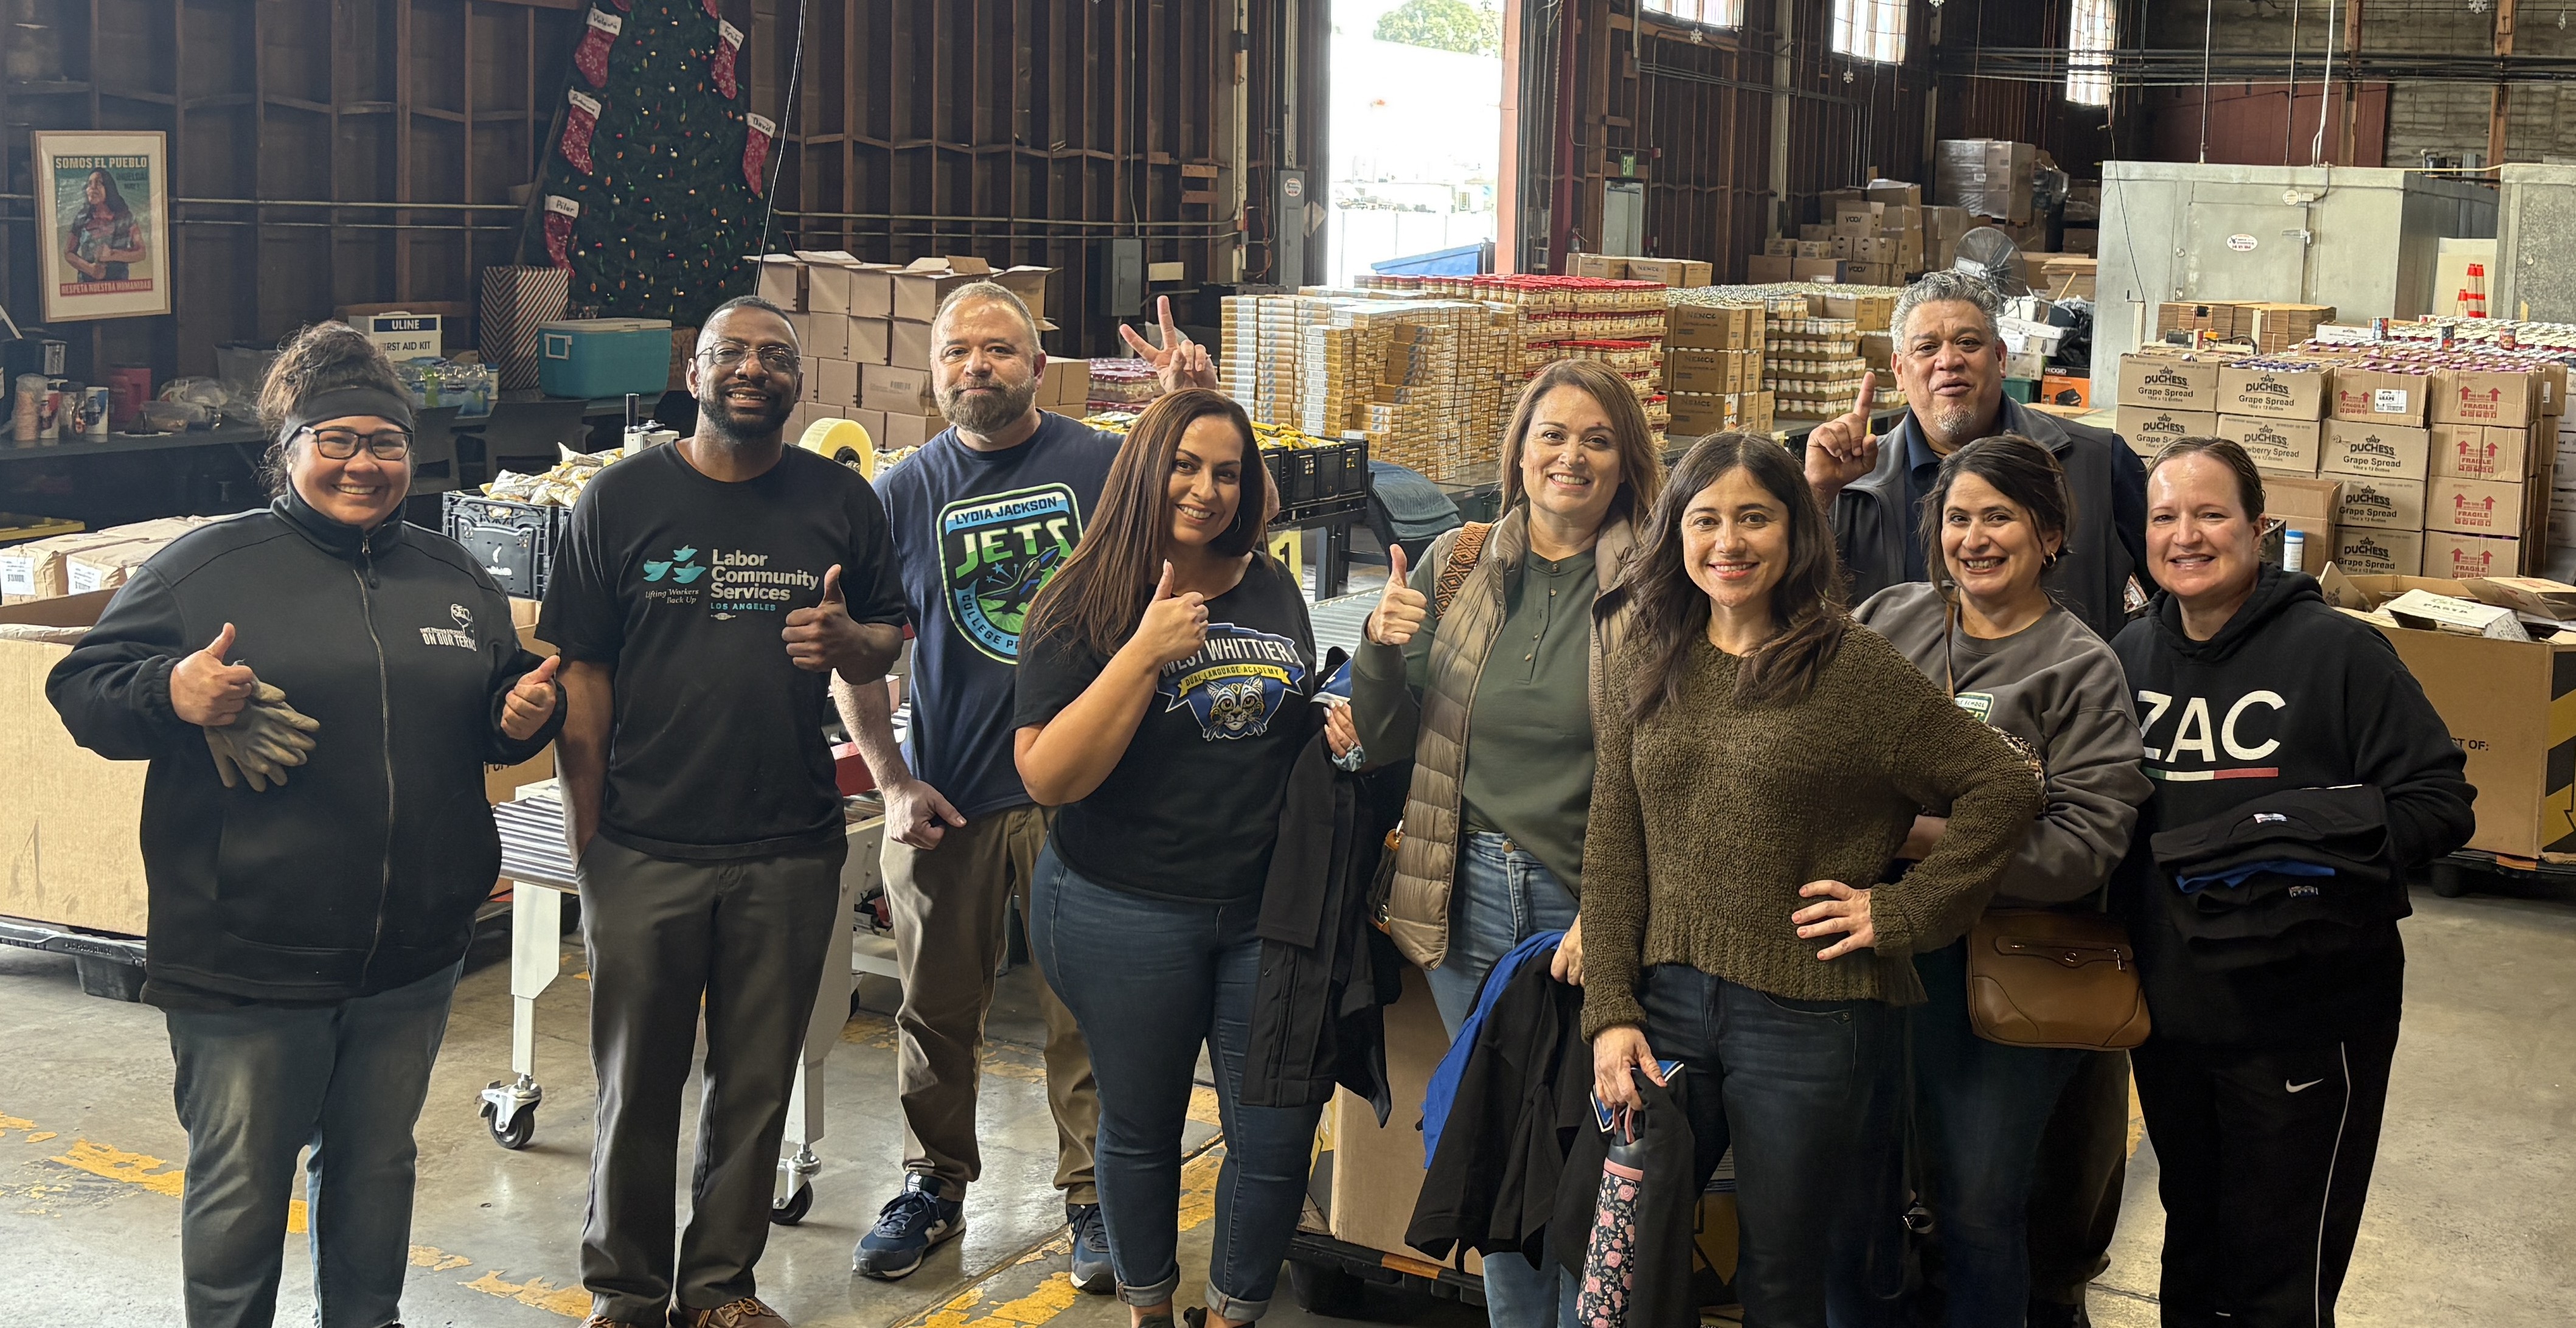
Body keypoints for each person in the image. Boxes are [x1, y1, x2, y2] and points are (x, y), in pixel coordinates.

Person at [48, 322, 563, 1328]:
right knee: (243, 1188)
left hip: (410, 953)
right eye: (335, 440)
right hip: (248, 955)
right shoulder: (207, 568)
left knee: (377, 1166)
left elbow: (488, 711)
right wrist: (173, 686)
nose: (363, 463)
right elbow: (83, 688)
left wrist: (516, 717)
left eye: (385, 442)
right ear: (286, 450)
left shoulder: (453, 578)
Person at [1583, 432, 2041, 1327]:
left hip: (1803, 1017)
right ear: (1676, 531)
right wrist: (1609, 1009)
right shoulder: (1652, 653)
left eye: (1753, 517)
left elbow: (2001, 782)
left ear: (1795, 532)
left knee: (1784, 1275)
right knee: (1632, 1255)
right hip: (1665, 1005)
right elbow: (1612, 845)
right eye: (1705, 518)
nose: (1728, 541)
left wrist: (1902, 909)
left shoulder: (1848, 666)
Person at [838, 282, 1217, 1287]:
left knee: (1084, 1009)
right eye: (958, 351)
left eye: (1000, 350)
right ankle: (933, 1181)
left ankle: (1093, 1194)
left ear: (1037, 365)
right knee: (932, 1009)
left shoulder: (1101, 465)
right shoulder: (901, 492)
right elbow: (863, 655)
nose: (978, 367)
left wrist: (1185, 408)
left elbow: (1208, 537)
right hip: (949, 797)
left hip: (1084, 793)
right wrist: (892, 781)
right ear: (934, 371)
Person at [542, 296, 909, 1328]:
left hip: (788, 844)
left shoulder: (842, 502)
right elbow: (586, 674)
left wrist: (849, 643)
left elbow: (885, 640)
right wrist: (589, 831)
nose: (754, 368)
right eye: (731, 354)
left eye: (776, 356)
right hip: (645, 842)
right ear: (693, 377)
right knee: (636, 1084)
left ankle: (719, 1289)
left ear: (800, 384)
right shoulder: (616, 502)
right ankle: (624, 1292)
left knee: (755, 1086)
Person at [1807, 270, 2149, 1324]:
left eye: (2001, 517)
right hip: (1879, 950)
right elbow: (1807, 713)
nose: (1975, 538)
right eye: (1958, 518)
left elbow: (2086, 840)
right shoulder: (1899, 621)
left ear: (2052, 535)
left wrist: (1926, 840)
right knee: (1860, 1193)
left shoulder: (2082, 664)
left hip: (2003, 959)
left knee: (1982, 1206)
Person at [2111, 438, 2472, 1328]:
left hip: (2303, 1022)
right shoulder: (2125, 656)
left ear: (2257, 528)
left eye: (2209, 514)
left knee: (2279, 1277)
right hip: (2169, 1021)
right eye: (2164, 517)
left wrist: (2294, 844)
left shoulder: (2338, 653)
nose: (2184, 535)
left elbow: (2439, 801)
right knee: (2190, 1247)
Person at [1349, 358, 1662, 1328]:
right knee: (1497, 1146)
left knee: (1592, 1162)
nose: (1570, 456)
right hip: (1464, 893)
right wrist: (1378, 649)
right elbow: (1389, 739)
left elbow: (1672, 772)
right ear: (1518, 451)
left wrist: (1608, 922)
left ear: (1624, 465)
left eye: (1596, 439)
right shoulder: (1458, 560)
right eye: (1551, 435)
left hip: (1586, 910)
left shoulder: (1659, 582)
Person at [1015, 388, 1327, 1328]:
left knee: (1272, 1137)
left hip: (1263, 910)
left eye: (1226, 471)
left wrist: (1332, 708)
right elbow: (1048, 774)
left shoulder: (1266, 580)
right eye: (1185, 464)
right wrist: (1142, 652)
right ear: (1146, 467)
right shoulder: (1082, 599)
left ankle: (1231, 1313)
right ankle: (1151, 1308)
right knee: (1142, 1128)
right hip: (1125, 908)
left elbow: (1277, 715)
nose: (1205, 488)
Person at [1807, 270, 2147, 644]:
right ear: (1899, 371)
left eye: (1968, 343)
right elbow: (1787, 608)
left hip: (2061, 700)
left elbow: (2177, 593)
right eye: (1927, 348)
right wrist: (1818, 495)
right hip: (1890, 700)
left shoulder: (2097, 464)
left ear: (2000, 358)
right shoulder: (1852, 486)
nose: (1949, 361)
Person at [64, 167, 146, 282]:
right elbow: (68, 252)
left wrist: (113, 254)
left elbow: (141, 252)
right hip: (86, 289)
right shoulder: (82, 217)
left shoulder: (126, 217)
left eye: (98, 184)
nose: (92, 188)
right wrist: (90, 269)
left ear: (109, 188)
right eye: (89, 184)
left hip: (120, 288)